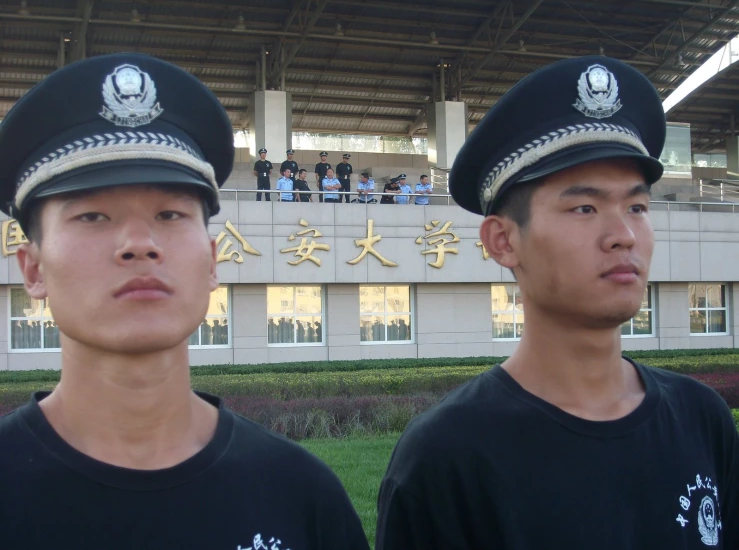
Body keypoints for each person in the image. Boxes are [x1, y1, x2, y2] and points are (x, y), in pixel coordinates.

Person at [0, 52, 369, 550]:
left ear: (213, 262)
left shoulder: (299, 493)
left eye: (171, 214)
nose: (139, 243)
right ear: (33, 268)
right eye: (92, 216)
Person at [376, 56, 738, 549]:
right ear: (503, 241)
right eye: (584, 208)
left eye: (637, 207)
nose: (624, 235)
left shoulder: (701, 418)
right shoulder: (446, 459)